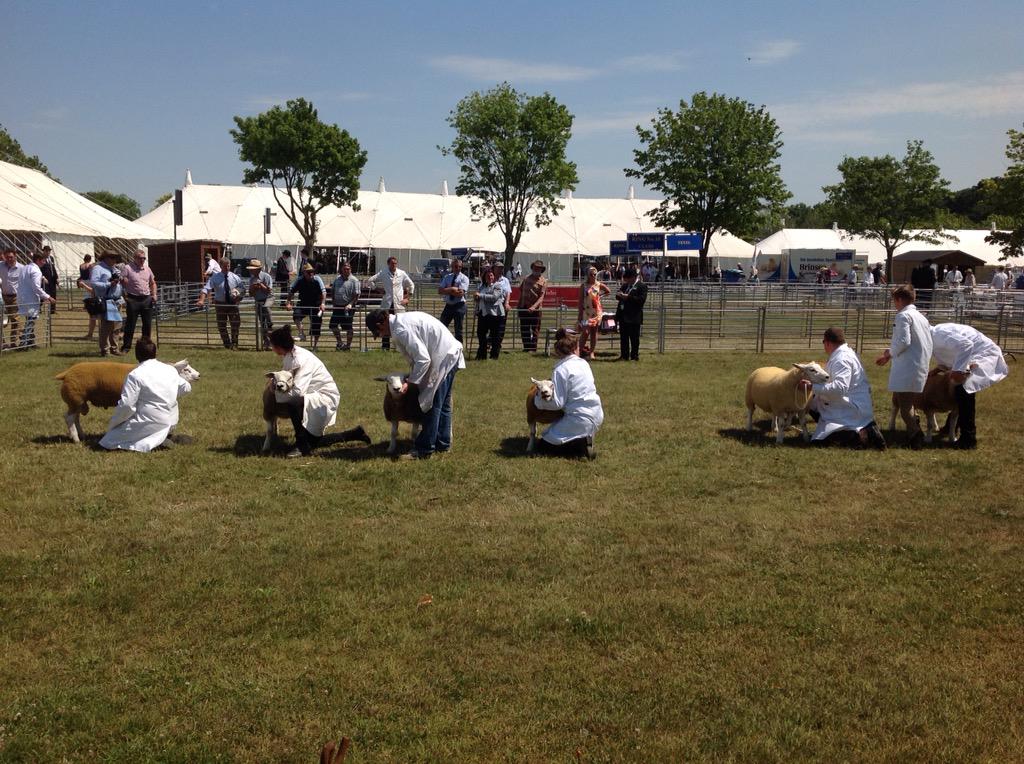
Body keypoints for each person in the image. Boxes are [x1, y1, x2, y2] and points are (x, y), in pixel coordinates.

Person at [365, 308, 465, 460]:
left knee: (431, 404)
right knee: (443, 404)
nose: (381, 336)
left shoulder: (400, 329)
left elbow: (423, 359)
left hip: (444, 358)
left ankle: (424, 449)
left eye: (378, 333)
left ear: (381, 324)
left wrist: (410, 383)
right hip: (448, 355)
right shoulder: (401, 323)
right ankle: (442, 444)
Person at [268, 325, 368, 457]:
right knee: (314, 441)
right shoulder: (289, 355)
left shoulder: (300, 359)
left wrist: (275, 394)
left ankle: (301, 446)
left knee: (294, 403)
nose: (272, 348)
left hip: (323, 397)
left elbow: (298, 392)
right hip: (311, 394)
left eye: (273, 345)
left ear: (279, 346)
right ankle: (355, 433)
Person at [99, 338, 192, 452]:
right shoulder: (170, 369)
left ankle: (157, 442)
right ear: (155, 353)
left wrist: (114, 423)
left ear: (137, 355)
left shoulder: (135, 375)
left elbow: (127, 405)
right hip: (172, 420)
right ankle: (167, 436)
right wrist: (168, 393)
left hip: (150, 422)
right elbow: (186, 388)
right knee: (154, 429)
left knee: (108, 441)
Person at [802, 326, 885, 449]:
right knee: (814, 404)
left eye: (824, 342)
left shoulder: (841, 359)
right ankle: (865, 430)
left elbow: (839, 388)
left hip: (850, 409)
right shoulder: (845, 353)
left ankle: (861, 436)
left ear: (828, 343)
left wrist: (812, 386)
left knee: (818, 442)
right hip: (854, 405)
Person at [929, 323, 1009, 450]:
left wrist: (958, 370)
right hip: (971, 355)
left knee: (964, 390)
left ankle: (968, 439)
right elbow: (950, 354)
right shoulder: (933, 337)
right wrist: (937, 369)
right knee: (958, 391)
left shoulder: (939, 334)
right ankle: (950, 427)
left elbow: (966, 345)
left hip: (983, 354)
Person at [875, 285, 933, 449]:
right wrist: (891, 350)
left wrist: (888, 355)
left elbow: (904, 341)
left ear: (899, 299)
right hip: (919, 364)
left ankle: (916, 436)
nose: (894, 304)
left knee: (904, 407)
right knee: (909, 403)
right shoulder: (921, 317)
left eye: (894, 300)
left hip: (908, 367)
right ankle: (913, 433)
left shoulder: (903, 316)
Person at [534, 327, 603, 460]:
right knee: (556, 432)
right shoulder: (584, 363)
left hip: (579, 418)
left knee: (543, 444)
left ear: (557, 351)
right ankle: (584, 439)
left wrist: (538, 401)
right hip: (597, 413)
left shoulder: (560, 369)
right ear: (575, 348)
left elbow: (558, 403)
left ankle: (580, 449)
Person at [365, 256, 414, 350]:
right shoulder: (383, 272)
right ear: (388, 264)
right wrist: (377, 289)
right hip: (387, 303)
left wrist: (408, 298)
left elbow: (411, 284)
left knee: (400, 325)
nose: (394, 265)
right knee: (384, 323)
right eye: (392, 263)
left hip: (398, 303)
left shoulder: (402, 273)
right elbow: (370, 280)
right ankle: (385, 346)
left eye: (395, 263)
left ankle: (400, 347)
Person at [196, 257, 244, 349]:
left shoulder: (235, 277)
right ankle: (227, 344)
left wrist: (239, 296)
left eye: (228, 266)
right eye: (225, 266)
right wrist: (201, 300)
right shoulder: (215, 277)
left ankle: (234, 344)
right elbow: (206, 289)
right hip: (220, 304)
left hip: (232, 304)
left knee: (235, 324)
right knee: (221, 325)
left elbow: (242, 289)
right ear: (221, 266)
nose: (227, 268)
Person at [120, 246, 157, 352]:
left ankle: (146, 347)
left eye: (144, 258)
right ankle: (126, 347)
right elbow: (121, 282)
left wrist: (154, 294)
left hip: (146, 299)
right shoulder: (127, 268)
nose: (142, 260)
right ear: (134, 258)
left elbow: (153, 283)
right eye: (140, 258)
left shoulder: (147, 269)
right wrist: (125, 295)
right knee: (130, 324)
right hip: (133, 299)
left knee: (147, 324)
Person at [16, 251, 56, 349]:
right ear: (38, 260)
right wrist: (48, 297)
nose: (44, 263)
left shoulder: (25, 268)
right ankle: (23, 344)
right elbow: (36, 287)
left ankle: (30, 342)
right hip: (30, 298)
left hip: (22, 297)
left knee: (29, 320)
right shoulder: (36, 270)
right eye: (43, 261)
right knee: (30, 321)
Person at [91, 251, 124, 356]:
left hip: (117, 300)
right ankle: (105, 349)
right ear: (106, 258)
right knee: (107, 325)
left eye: (115, 258)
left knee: (117, 325)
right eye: (112, 257)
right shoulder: (98, 268)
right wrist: (109, 283)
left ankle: (114, 348)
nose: (115, 260)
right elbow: (94, 283)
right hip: (107, 300)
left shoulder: (115, 269)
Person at [286, 263, 327, 348]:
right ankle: (302, 333)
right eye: (308, 272)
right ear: (304, 272)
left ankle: (315, 346)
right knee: (296, 315)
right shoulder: (299, 280)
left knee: (316, 325)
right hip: (303, 303)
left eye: (312, 272)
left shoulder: (317, 279)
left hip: (316, 304)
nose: (311, 273)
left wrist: (323, 303)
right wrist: (288, 302)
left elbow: (323, 292)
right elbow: (291, 291)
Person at [615, 266, 648, 361]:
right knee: (623, 338)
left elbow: (641, 300)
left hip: (634, 316)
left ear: (633, 277)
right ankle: (624, 355)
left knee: (634, 338)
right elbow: (617, 296)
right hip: (623, 315)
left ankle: (634, 356)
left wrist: (628, 297)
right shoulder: (625, 286)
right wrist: (619, 295)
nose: (626, 280)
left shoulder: (642, 286)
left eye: (628, 278)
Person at [577, 266, 611, 358]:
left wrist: (600, 296)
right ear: (588, 275)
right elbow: (580, 301)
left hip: (596, 312)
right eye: (591, 274)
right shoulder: (583, 286)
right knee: (585, 331)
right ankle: (579, 351)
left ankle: (592, 352)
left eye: (595, 274)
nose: (593, 276)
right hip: (586, 312)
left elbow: (608, 291)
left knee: (594, 332)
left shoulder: (599, 284)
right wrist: (579, 314)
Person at [473, 269, 506, 360]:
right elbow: (478, 299)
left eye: (491, 275)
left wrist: (480, 296)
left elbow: (494, 297)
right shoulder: (482, 286)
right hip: (483, 314)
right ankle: (482, 355)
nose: (489, 277)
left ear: (494, 276)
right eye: (487, 276)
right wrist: (476, 298)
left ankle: (494, 355)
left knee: (495, 336)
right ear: (484, 277)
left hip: (496, 315)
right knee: (481, 334)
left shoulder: (498, 286)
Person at [516, 259, 547, 353]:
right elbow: (521, 292)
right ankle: (526, 347)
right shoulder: (526, 278)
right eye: (535, 267)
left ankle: (533, 348)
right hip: (524, 307)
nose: (536, 269)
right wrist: (519, 305)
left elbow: (541, 297)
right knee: (524, 328)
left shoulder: (543, 281)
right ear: (532, 268)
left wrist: (534, 307)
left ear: (541, 269)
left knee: (535, 329)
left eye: (538, 268)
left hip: (536, 310)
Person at [329, 261, 361, 351]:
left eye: (348, 269)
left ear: (350, 269)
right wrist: (333, 302)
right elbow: (332, 291)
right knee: (332, 325)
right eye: (345, 269)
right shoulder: (337, 279)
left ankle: (348, 346)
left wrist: (351, 304)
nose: (347, 270)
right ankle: (340, 343)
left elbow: (357, 294)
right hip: (337, 307)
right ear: (342, 270)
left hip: (348, 308)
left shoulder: (354, 280)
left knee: (348, 327)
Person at [437, 258, 470, 344]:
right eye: (456, 266)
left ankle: (459, 347)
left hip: (459, 305)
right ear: (452, 266)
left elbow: (460, 293)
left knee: (458, 329)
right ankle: (442, 344)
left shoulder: (464, 278)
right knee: (442, 326)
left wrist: (447, 290)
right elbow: (440, 291)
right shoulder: (447, 277)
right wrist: (452, 289)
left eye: (460, 266)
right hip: (448, 305)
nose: (458, 268)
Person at [247, 259, 275, 349]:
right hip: (258, 300)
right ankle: (266, 342)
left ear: (258, 269)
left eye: (252, 269)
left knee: (266, 311)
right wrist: (253, 288)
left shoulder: (266, 276)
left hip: (268, 298)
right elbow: (250, 294)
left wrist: (261, 285)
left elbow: (269, 291)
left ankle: (270, 323)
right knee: (262, 322)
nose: (250, 270)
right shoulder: (251, 279)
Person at [0, 247, 22, 348]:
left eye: (11, 257)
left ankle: (13, 342)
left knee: (15, 319)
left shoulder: (21, 268)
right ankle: (2, 342)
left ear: (15, 256)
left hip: (15, 297)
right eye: (7, 257)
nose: (9, 259)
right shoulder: (0, 266)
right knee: (2, 320)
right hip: (2, 297)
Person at [77, 254, 97, 340]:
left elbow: (81, 275)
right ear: (90, 259)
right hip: (89, 281)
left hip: (83, 281)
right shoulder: (91, 265)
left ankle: (90, 333)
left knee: (88, 298)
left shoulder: (81, 265)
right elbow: (91, 275)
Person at [39, 245, 59, 314]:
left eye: (49, 251)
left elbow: (53, 268)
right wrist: (43, 277)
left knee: (53, 294)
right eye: (46, 251)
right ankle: (38, 308)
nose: (48, 252)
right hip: (45, 279)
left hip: (52, 279)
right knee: (43, 294)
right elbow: (39, 269)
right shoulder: (41, 259)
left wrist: (56, 278)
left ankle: (52, 310)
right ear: (43, 251)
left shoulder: (51, 258)